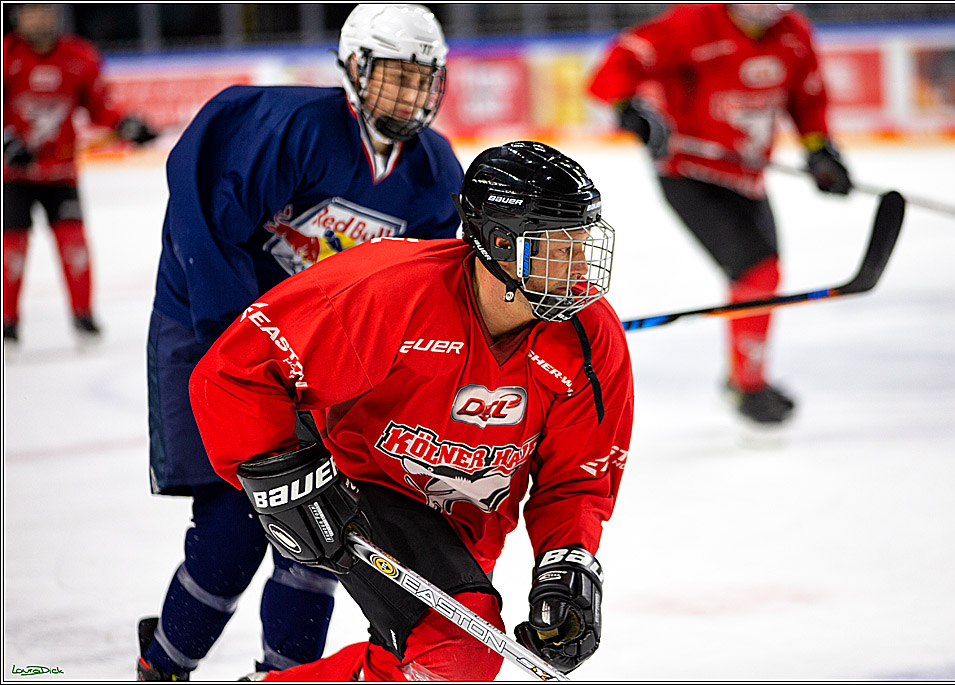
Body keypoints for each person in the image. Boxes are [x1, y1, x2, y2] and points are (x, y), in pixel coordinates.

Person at [187, 140, 634, 681]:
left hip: (467, 522)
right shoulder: (388, 292)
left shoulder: (589, 338)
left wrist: (568, 560)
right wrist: (279, 476)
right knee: (458, 652)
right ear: (499, 242)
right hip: (362, 487)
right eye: (557, 248)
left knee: (411, 664)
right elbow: (238, 369)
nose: (580, 266)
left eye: (582, 244)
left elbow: (578, 478)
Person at [139, 4, 464, 680]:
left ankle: (283, 676)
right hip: (215, 337)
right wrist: (243, 351)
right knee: (231, 529)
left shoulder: (433, 170)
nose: (411, 95)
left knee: (315, 532)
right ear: (354, 69)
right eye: (396, 77)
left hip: (314, 363)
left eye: (422, 79)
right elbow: (205, 226)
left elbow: (419, 297)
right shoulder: (289, 129)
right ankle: (162, 665)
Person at [587, 3, 852, 425]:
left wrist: (819, 149)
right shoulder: (691, 23)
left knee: (762, 278)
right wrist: (629, 108)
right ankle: (748, 386)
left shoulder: (793, 33)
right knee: (759, 273)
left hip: (747, 176)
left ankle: (746, 380)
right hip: (689, 172)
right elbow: (618, 64)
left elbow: (807, 97)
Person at [3, 3, 157, 349]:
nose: (39, 18)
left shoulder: (79, 56)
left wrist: (125, 124)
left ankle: (83, 317)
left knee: (75, 246)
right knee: (11, 250)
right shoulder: (6, 55)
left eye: (45, 11)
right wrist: (7, 141)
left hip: (60, 175)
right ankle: (7, 324)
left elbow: (99, 105)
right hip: (13, 177)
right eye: (31, 12)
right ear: (18, 17)